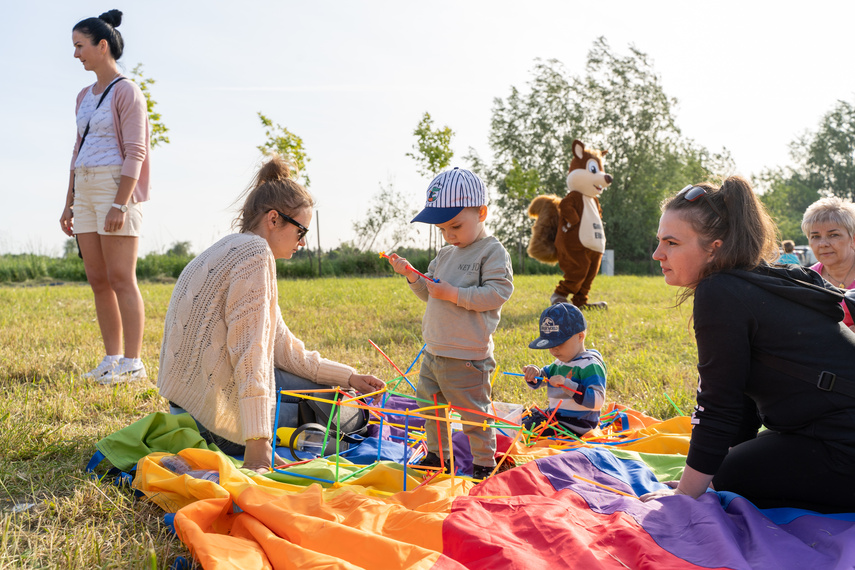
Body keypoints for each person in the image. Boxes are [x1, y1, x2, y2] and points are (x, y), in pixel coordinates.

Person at [157, 155, 385, 473]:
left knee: (329, 388)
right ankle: (299, 427)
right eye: (301, 231)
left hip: (185, 410)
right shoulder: (255, 255)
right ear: (274, 220)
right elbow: (252, 355)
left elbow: (282, 348)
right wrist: (259, 448)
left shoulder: (231, 248)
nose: (303, 242)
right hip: (211, 425)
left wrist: (348, 376)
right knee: (342, 410)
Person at [641, 178, 855, 513]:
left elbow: (717, 405)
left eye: (671, 242)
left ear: (714, 247)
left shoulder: (721, 291)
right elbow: (740, 399)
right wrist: (710, 475)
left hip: (842, 444)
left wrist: (686, 494)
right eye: (660, 241)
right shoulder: (755, 280)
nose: (658, 254)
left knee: (729, 473)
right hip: (827, 433)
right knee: (728, 469)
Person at [386, 168, 514, 480]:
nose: (449, 234)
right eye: (443, 229)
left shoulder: (491, 251)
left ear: (482, 212)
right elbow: (430, 294)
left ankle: (486, 464)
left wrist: (453, 293)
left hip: (468, 356)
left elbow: (498, 293)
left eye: (455, 225)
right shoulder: (444, 255)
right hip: (435, 352)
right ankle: (437, 456)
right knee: (430, 409)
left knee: (474, 415)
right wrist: (413, 277)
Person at [60, 10, 150, 383]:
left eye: (80, 46)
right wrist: (68, 201)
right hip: (85, 186)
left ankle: (133, 362)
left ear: (102, 45)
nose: (76, 54)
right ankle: (112, 359)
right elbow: (78, 148)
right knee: (98, 279)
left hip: (116, 186)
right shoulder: (83, 95)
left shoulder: (127, 91)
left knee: (120, 277)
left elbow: (136, 151)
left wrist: (120, 202)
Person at [521, 303, 606, 436]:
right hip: (556, 418)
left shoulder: (590, 365)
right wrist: (534, 373)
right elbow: (542, 378)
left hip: (577, 425)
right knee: (521, 415)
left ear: (580, 336)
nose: (554, 349)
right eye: (550, 344)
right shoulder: (561, 362)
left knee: (525, 429)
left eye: (559, 344)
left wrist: (566, 385)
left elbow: (598, 401)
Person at [802, 197, 855, 332]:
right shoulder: (805, 280)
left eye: (833, 235)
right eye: (815, 236)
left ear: (853, 239)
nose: (823, 244)